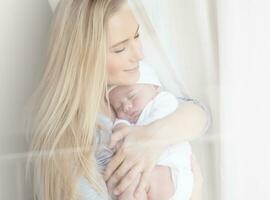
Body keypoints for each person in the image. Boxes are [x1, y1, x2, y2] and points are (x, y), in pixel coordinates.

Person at [25, 0, 210, 199]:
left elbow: (200, 114)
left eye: (137, 36)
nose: (139, 54)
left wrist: (151, 137)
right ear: (85, 57)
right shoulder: (72, 146)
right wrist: (194, 191)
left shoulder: (124, 89)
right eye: (120, 49)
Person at [107, 63, 194, 200]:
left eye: (132, 96)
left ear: (154, 87)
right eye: (119, 106)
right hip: (151, 172)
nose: (127, 107)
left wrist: (132, 132)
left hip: (170, 170)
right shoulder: (129, 120)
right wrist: (120, 125)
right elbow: (119, 125)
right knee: (129, 187)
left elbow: (156, 125)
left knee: (134, 184)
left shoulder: (163, 100)